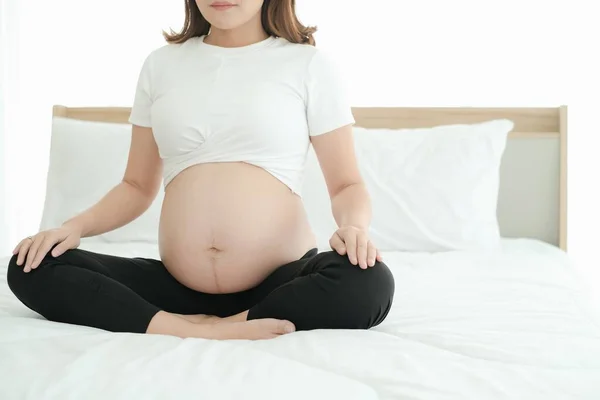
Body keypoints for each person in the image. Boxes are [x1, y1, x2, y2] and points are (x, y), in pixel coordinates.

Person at [6, 0, 395, 340]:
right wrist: (71, 228)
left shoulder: (308, 64)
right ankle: (193, 329)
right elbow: (136, 185)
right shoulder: (162, 64)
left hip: (280, 282)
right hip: (176, 289)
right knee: (32, 265)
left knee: (369, 281)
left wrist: (355, 228)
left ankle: (232, 322)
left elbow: (346, 184)